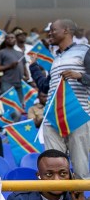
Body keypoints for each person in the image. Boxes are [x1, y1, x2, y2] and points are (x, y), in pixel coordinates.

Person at [29, 18, 90, 179]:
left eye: (53, 30)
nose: (49, 33)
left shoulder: (85, 50)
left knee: (80, 167)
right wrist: (33, 67)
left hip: (77, 114)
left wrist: (80, 76)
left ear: (67, 31)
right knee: (54, 165)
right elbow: (45, 87)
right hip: (52, 118)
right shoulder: (56, 59)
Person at [0, 33, 25, 99]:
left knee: (20, 103)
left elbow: (24, 65)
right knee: (8, 101)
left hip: (20, 83)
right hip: (7, 82)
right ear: (5, 40)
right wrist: (9, 66)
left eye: (12, 38)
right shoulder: (1, 52)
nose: (10, 39)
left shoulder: (20, 53)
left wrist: (27, 76)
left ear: (15, 40)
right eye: (8, 38)